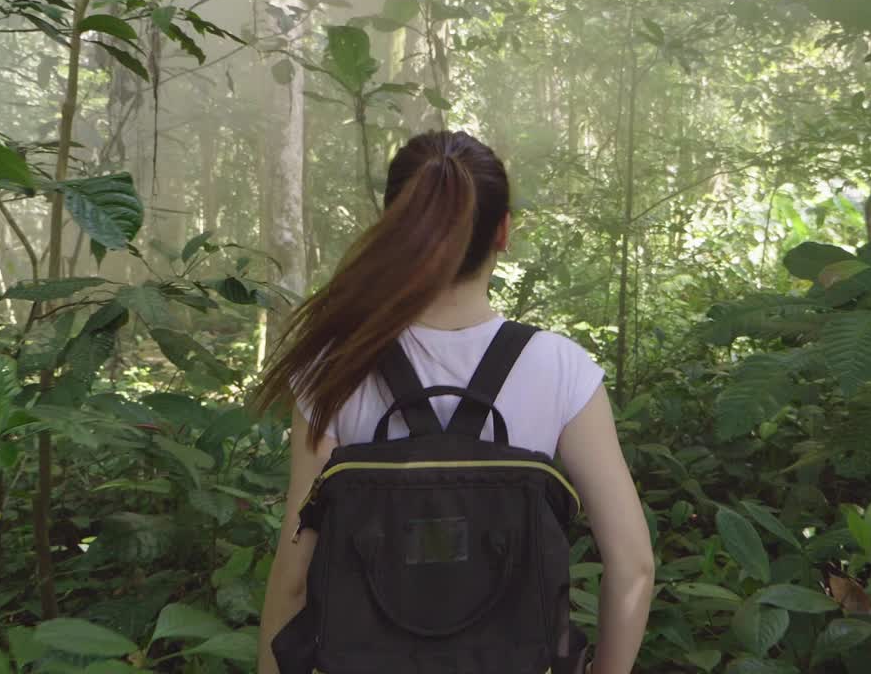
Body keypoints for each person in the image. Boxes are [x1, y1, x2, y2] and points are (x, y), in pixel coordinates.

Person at [254, 130, 654, 674]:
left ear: (394, 227)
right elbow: (633, 568)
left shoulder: (334, 366)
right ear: (504, 232)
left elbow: (297, 576)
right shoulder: (562, 368)